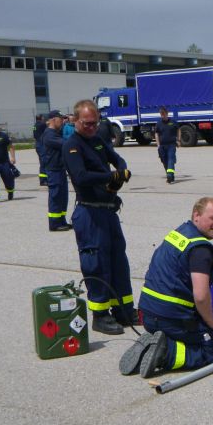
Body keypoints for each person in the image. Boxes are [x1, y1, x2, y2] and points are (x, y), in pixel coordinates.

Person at [120, 197, 213, 379]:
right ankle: (165, 353)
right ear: (196, 216)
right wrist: (211, 323)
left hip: (146, 315)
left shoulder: (179, 233)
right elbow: (201, 296)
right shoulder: (201, 249)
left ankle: (153, 341)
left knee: (196, 332)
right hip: (171, 320)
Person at [63, 99, 139, 335]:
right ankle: (100, 315)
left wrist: (122, 171)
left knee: (118, 261)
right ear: (75, 120)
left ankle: (124, 310)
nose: (91, 128)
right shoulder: (72, 145)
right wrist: (109, 177)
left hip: (107, 211)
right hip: (89, 212)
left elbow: (117, 159)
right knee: (96, 264)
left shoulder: (98, 140)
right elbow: (81, 176)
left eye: (95, 123)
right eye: (86, 123)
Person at [40, 110, 71, 231]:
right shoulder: (49, 134)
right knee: (56, 196)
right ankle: (54, 224)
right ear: (53, 119)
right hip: (54, 170)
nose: (63, 121)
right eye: (61, 119)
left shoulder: (56, 133)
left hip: (60, 169)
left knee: (63, 197)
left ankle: (61, 221)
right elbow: (66, 144)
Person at [154, 106, 180, 183]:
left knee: (171, 159)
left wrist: (178, 140)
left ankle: (169, 175)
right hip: (162, 146)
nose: (162, 115)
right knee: (164, 161)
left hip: (171, 145)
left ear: (167, 113)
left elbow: (178, 130)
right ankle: (170, 175)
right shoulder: (159, 124)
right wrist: (158, 145)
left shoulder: (173, 122)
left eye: (163, 114)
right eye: (161, 114)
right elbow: (156, 134)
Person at [33, 114, 48, 186]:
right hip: (41, 144)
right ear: (41, 118)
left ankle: (44, 179)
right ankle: (43, 180)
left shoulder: (35, 124)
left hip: (38, 144)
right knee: (44, 162)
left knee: (42, 162)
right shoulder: (42, 124)